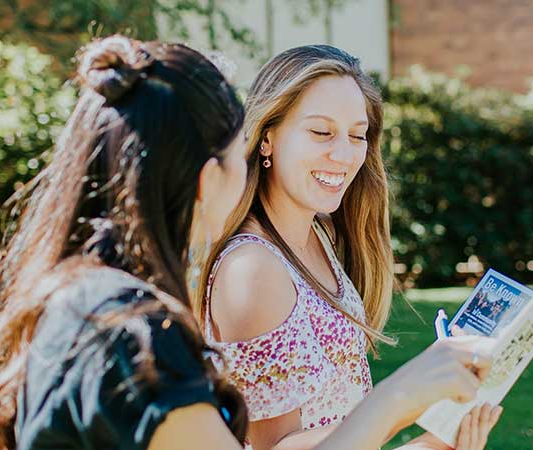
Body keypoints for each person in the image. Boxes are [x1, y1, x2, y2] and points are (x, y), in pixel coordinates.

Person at [0, 35, 494, 450]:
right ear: (212, 177)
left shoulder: (88, 306)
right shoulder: (132, 337)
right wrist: (398, 396)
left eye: (357, 135)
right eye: (239, 152)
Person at [198, 44, 503, 450]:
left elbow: (345, 430)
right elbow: (276, 447)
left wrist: (434, 442)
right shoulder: (253, 270)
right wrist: (407, 398)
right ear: (267, 137)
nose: (343, 155)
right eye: (321, 132)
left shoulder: (319, 236)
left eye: (357, 135)